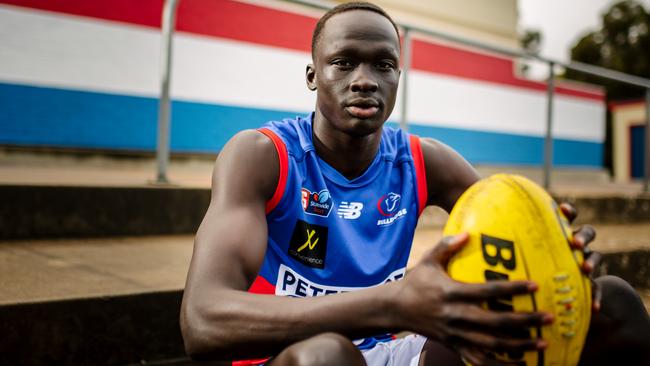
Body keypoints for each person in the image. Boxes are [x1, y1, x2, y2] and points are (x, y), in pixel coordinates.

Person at [180, 2, 650, 365]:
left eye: (383, 65)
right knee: (328, 355)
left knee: (613, 303)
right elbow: (202, 322)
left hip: (388, 352)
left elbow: (513, 231)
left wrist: (558, 253)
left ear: (398, 77)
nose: (364, 80)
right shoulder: (262, 155)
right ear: (312, 75)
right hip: (288, 353)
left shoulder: (425, 161)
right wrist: (394, 304)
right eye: (343, 62)